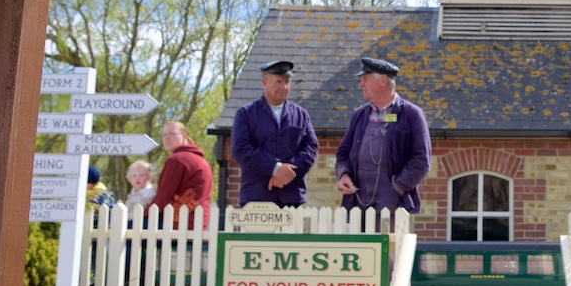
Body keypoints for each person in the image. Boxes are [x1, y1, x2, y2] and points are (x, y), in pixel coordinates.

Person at [336, 57, 431, 230]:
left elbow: (421, 160)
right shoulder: (359, 115)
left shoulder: (411, 114)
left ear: (383, 81)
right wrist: (343, 175)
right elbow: (343, 153)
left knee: (388, 256)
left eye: (365, 79)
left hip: (392, 207)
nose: (360, 85)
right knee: (359, 255)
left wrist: (398, 186)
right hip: (358, 205)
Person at [231, 60, 319, 207]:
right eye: (278, 82)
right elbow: (240, 149)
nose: (284, 87)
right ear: (264, 82)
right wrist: (275, 168)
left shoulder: (301, 114)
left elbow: (311, 148)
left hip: (292, 197)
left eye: (287, 82)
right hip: (257, 197)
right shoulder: (246, 114)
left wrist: (287, 174)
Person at [151, 121, 213, 229]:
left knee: (128, 230)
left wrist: (146, 213)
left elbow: (164, 195)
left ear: (184, 136)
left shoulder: (177, 160)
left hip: (178, 223)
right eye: (164, 135)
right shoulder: (201, 161)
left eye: (171, 134)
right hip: (199, 222)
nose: (167, 138)